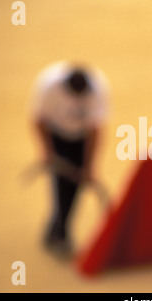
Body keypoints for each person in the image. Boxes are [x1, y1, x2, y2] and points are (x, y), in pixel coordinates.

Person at [31, 61, 108, 257]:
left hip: (81, 140)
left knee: (75, 186)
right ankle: (61, 234)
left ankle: (56, 230)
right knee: (62, 183)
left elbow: (95, 130)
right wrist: (48, 152)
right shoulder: (48, 84)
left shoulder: (98, 87)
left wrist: (90, 166)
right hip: (57, 136)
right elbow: (39, 120)